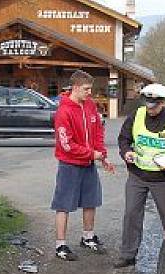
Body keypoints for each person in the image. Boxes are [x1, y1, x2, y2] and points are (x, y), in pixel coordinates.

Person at [114, 83, 165, 268]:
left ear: (163, 103)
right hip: (137, 175)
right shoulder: (137, 115)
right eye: (148, 104)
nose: (151, 109)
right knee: (131, 214)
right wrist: (126, 153)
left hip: (162, 179)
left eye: (154, 105)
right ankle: (128, 254)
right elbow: (124, 139)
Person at [51, 69, 115, 261]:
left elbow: (97, 132)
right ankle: (60, 245)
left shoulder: (90, 106)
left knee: (90, 201)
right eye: (87, 89)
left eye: (91, 89)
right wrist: (91, 153)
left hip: (89, 164)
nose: (90, 93)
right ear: (76, 87)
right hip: (69, 165)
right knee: (63, 205)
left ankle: (88, 237)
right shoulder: (63, 112)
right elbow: (66, 145)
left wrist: (102, 155)